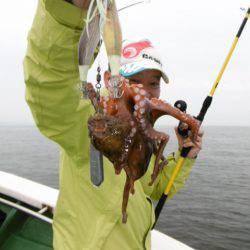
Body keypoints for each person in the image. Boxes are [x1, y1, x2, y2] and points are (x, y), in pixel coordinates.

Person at [23, 0, 203, 249]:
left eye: (153, 83)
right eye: (133, 80)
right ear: (110, 78)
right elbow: (51, 87)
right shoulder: (89, 121)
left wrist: (185, 157)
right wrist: (68, 15)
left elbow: (154, 187)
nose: (144, 92)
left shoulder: (143, 135)